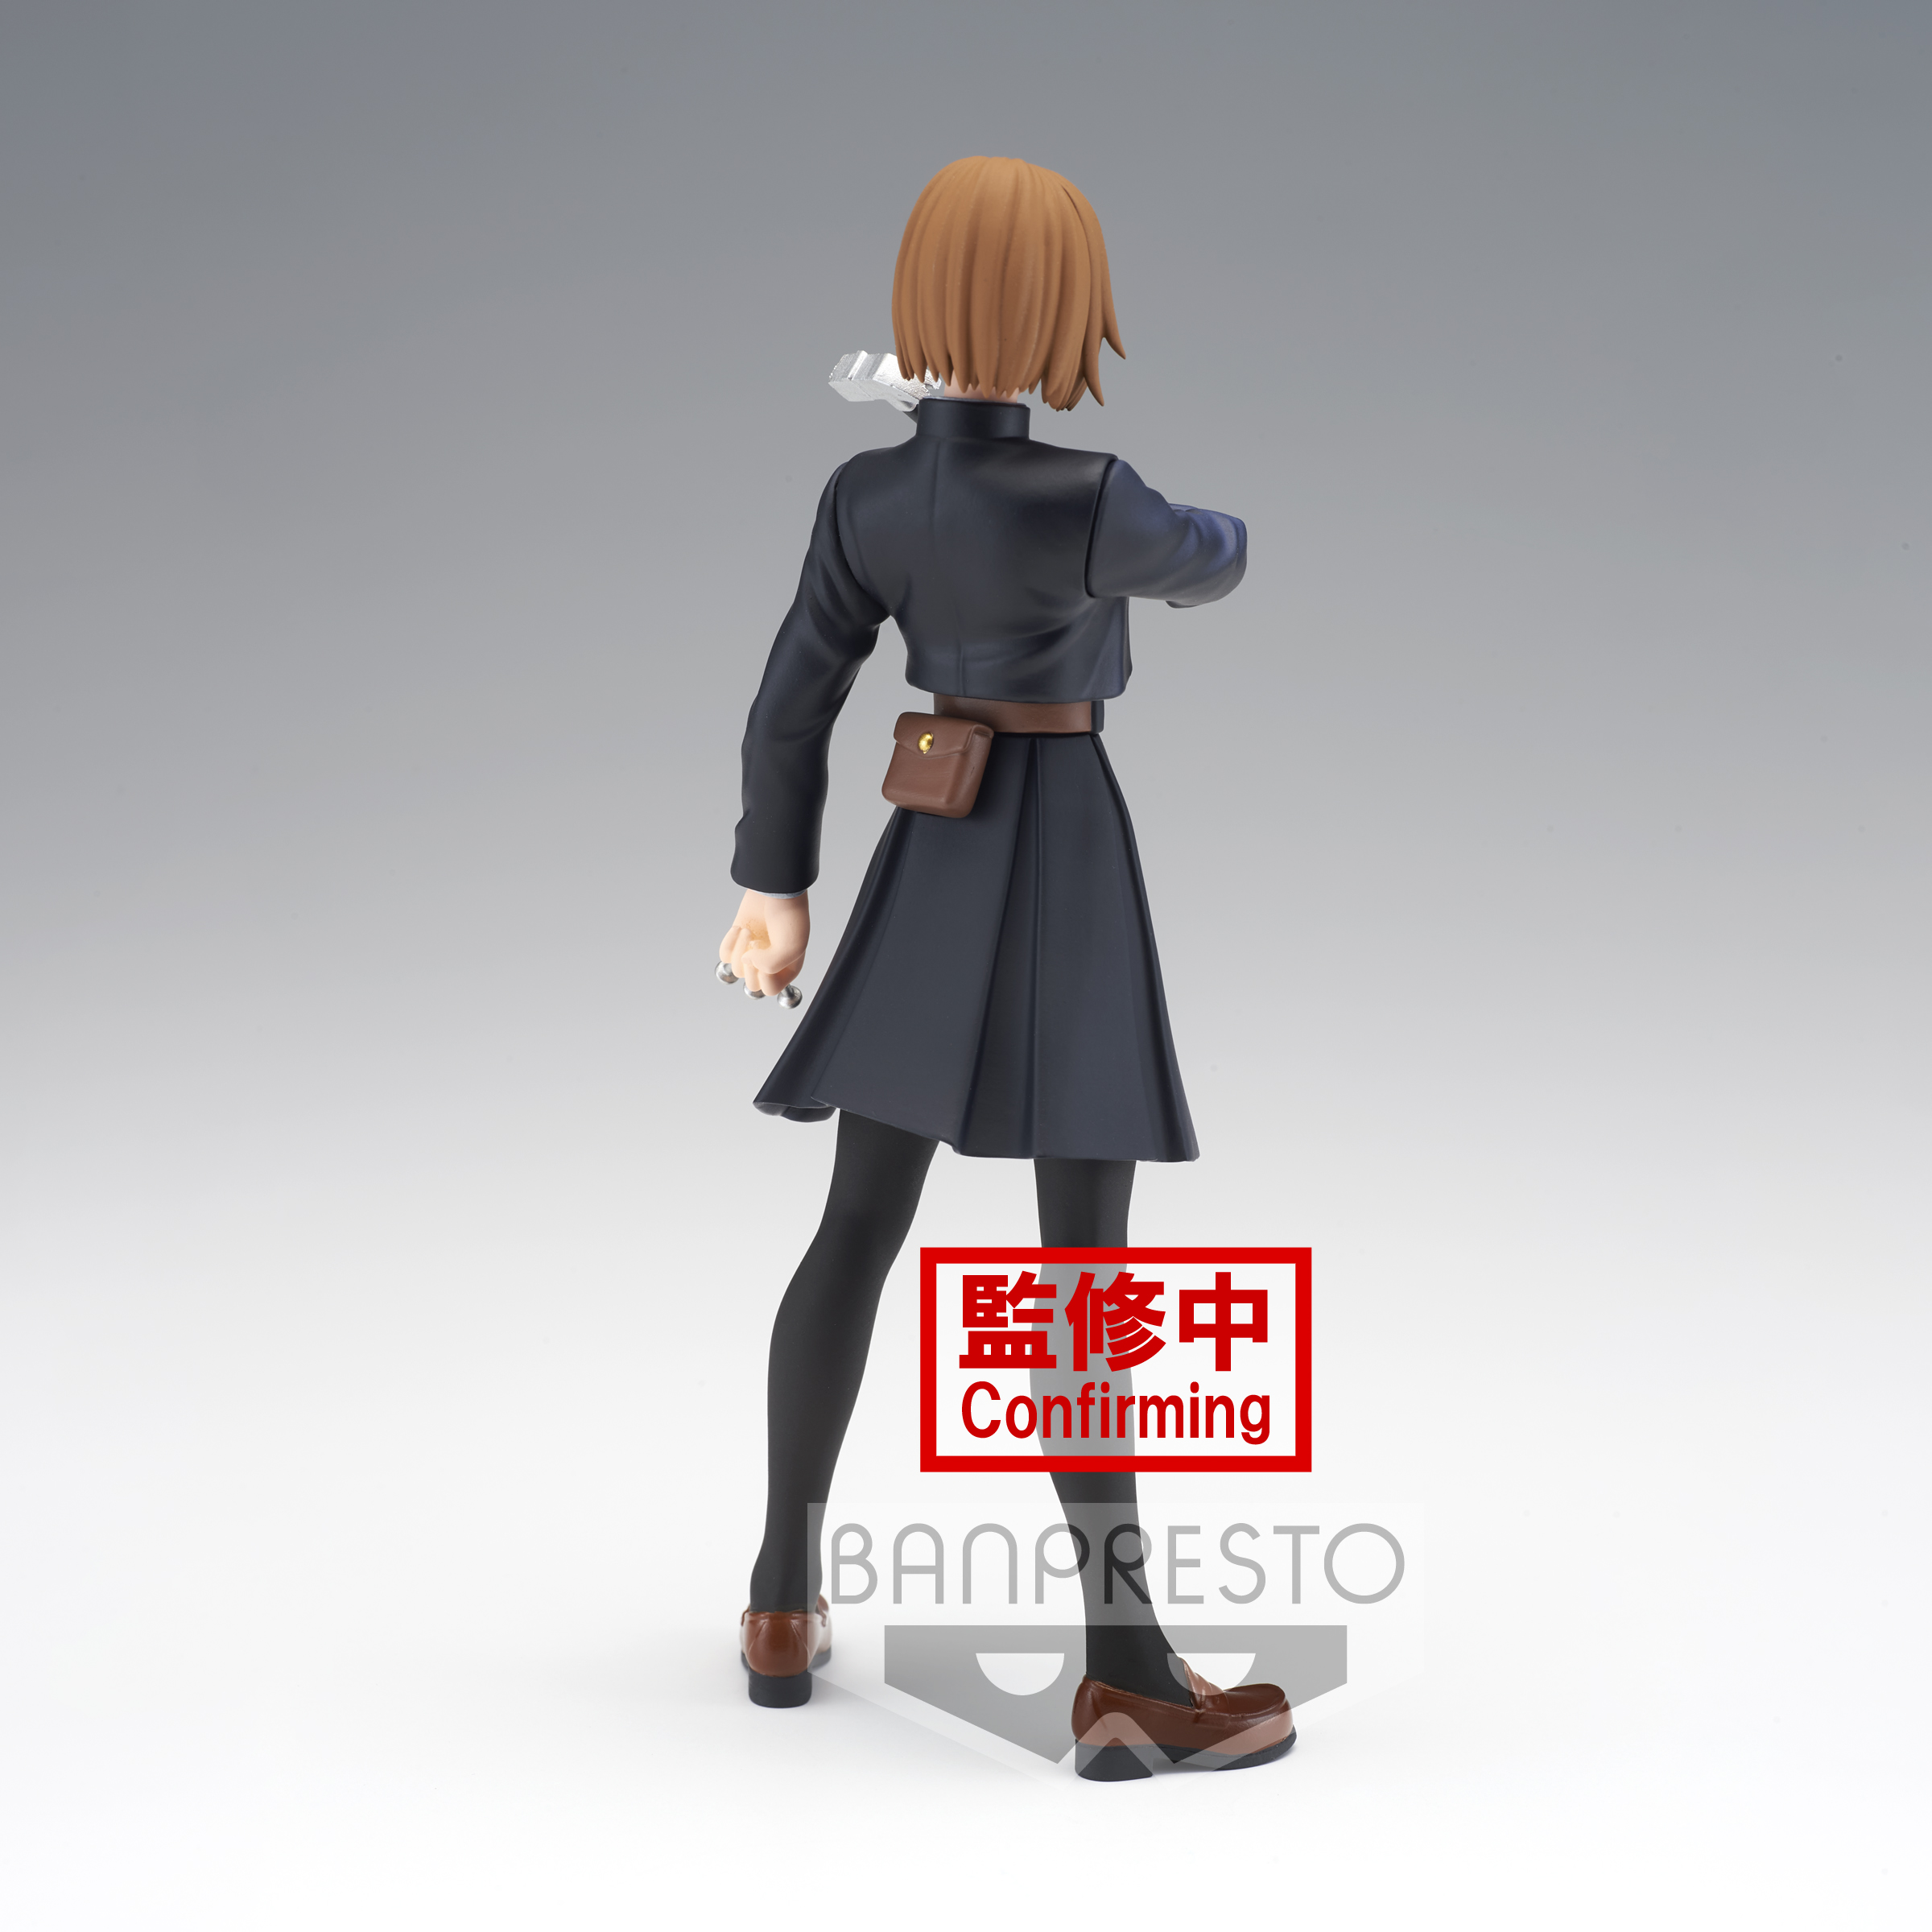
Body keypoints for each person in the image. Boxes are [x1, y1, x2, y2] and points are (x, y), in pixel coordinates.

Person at [720, 155, 1293, 1777]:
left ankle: (779, 1597)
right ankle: (1125, 1670)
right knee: (1082, 1272)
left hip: (931, 846)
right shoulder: (1089, 495)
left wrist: (773, 887)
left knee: (855, 1226)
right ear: (1060, 314)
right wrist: (1210, 524)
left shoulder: (867, 494)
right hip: (1062, 851)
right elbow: (1215, 557)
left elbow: (791, 701)